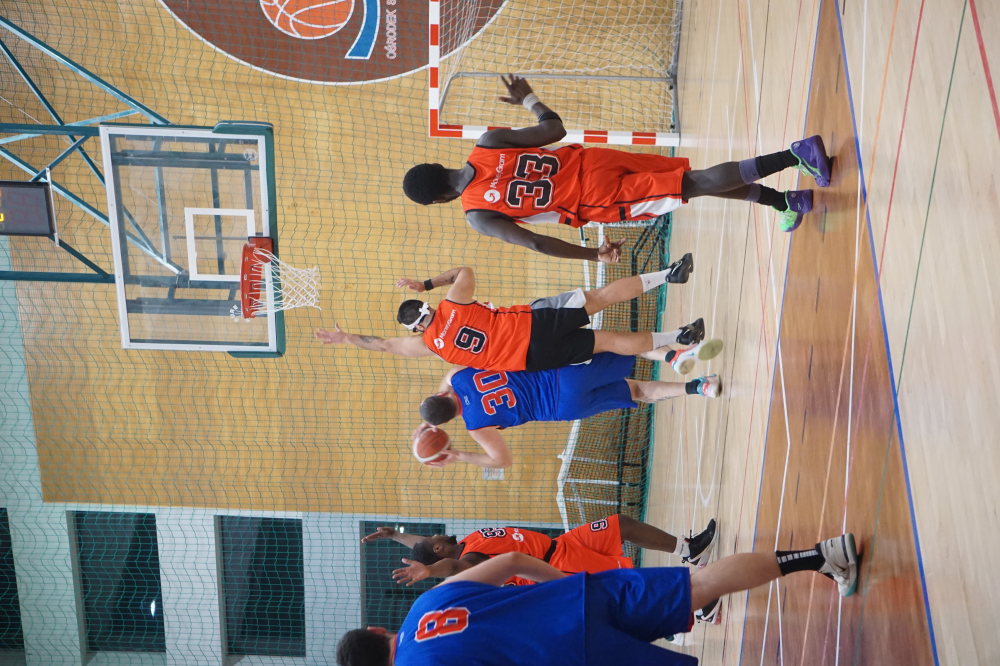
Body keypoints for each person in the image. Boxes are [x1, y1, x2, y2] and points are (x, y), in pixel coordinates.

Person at [401, 75, 832, 260]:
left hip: (596, 198)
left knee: (693, 183)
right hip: (596, 160)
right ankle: (784, 201)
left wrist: (594, 253)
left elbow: (535, 243)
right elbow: (554, 129)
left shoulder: (477, 214)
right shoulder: (487, 143)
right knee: (691, 183)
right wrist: (529, 99)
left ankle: (796, 155)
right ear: (439, 164)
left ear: (440, 200)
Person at [336, 533, 861, 666]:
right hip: (577, 597)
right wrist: (568, 585)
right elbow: (514, 561)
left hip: (572, 656)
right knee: (700, 585)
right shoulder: (426, 605)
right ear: (378, 630)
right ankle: (821, 554)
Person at [315, 260, 717, 374]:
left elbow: (385, 346)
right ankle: (669, 275)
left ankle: (678, 338)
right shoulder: (454, 302)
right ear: (428, 309)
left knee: (608, 342)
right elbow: (464, 270)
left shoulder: (428, 345)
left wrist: (348, 339)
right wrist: (426, 283)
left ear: (414, 327)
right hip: (533, 324)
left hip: (531, 360)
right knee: (598, 298)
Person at [410, 351, 722, 469]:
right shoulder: (458, 375)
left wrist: (458, 455)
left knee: (637, 391)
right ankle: (676, 353)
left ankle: (698, 388)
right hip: (561, 374)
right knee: (628, 345)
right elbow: (447, 381)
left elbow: (502, 461)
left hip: (562, 407)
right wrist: (427, 419)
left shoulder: (477, 428)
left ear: (448, 421)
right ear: (441, 394)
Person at [361, 514, 718, 589]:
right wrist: (429, 571)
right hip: (557, 564)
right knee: (629, 582)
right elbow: (451, 566)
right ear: (440, 549)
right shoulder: (469, 559)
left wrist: (396, 535)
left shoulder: (466, 541)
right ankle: (694, 601)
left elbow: (428, 548)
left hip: (563, 544)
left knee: (620, 524)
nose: (434, 533)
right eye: (433, 539)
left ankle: (689, 550)